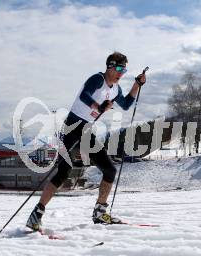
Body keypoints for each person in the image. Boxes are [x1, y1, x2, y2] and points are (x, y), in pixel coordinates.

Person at [26, 52, 146, 230]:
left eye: (124, 69)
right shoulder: (97, 79)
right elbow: (85, 96)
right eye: (119, 68)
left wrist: (137, 84)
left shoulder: (116, 89)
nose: (122, 72)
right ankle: (36, 215)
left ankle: (100, 213)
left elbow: (127, 104)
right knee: (63, 172)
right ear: (110, 66)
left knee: (109, 170)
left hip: (85, 130)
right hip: (71, 127)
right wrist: (99, 106)